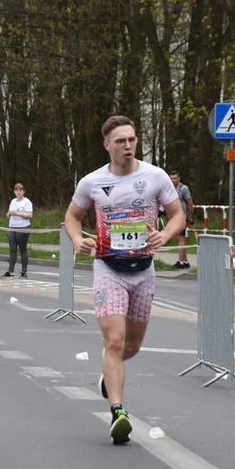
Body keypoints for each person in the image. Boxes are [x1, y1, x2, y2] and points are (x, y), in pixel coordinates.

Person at [66, 115, 183, 444]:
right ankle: (117, 411)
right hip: (108, 269)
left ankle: (108, 373)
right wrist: (78, 240)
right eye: (121, 141)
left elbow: (177, 215)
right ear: (108, 146)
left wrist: (165, 234)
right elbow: (72, 217)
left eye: (132, 139)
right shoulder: (92, 182)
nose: (128, 145)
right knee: (114, 341)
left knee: (131, 346)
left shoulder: (155, 177)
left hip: (143, 271)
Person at [4, 182, 33, 278]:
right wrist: (10, 213)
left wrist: (18, 214)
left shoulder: (27, 202)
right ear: (14, 192)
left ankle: (24, 271)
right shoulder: (13, 201)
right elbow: (7, 215)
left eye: (20, 190)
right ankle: (10, 270)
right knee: (12, 249)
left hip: (23, 228)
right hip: (12, 227)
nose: (18, 192)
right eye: (17, 190)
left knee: (22, 249)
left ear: (23, 191)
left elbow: (30, 215)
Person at [168, 169, 193, 269]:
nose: (173, 180)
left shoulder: (183, 188)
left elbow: (190, 202)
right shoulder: (170, 188)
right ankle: (185, 261)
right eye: (171, 178)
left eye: (174, 178)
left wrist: (190, 215)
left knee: (179, 238)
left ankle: (180, 261)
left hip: (182, 216)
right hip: (174, 216)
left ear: (179, 178)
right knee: (178, 238)